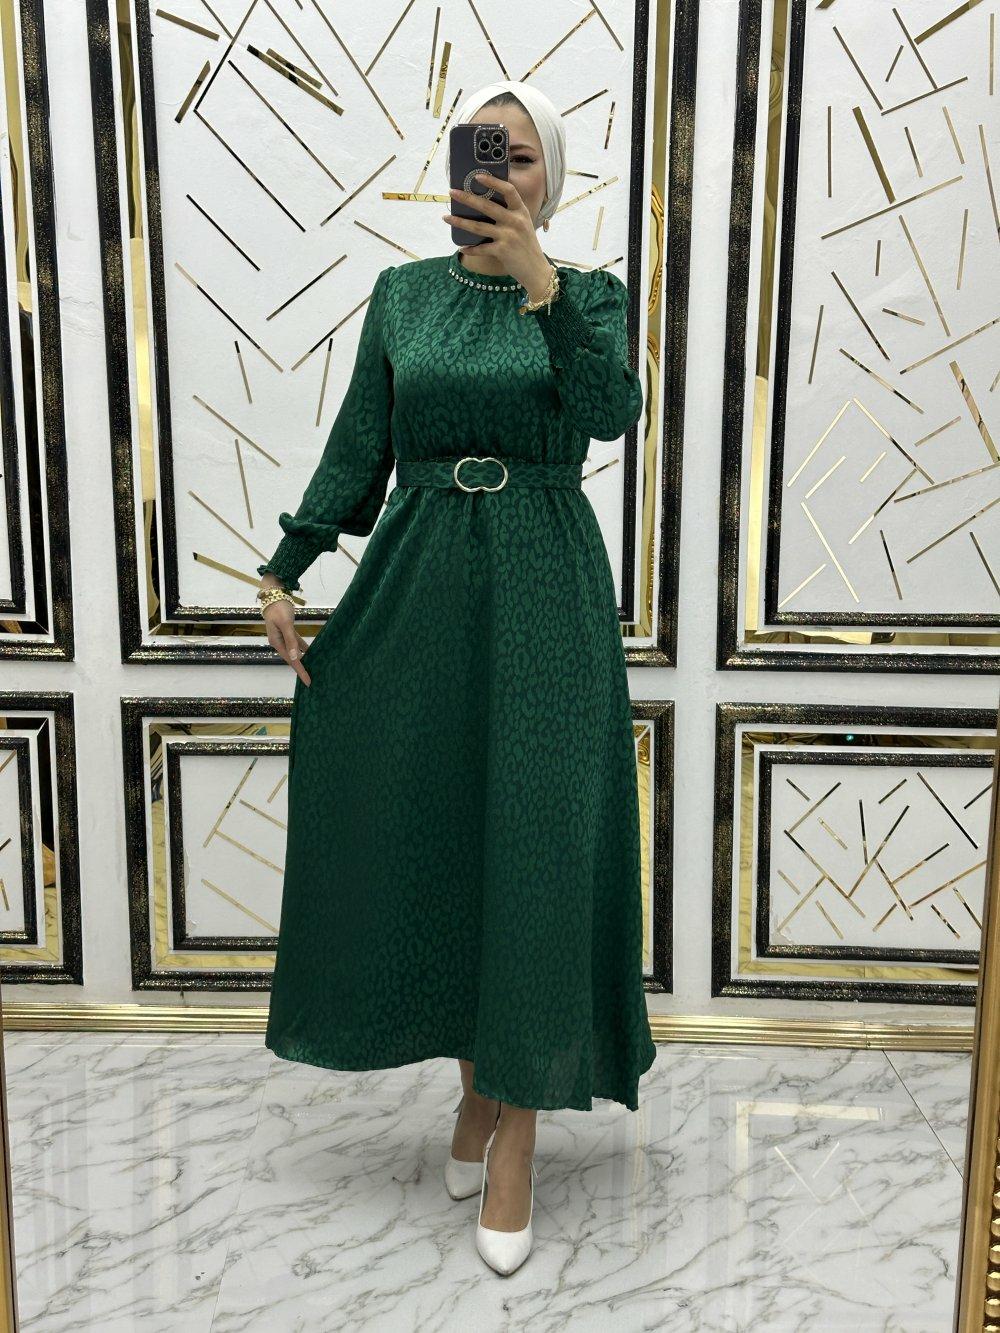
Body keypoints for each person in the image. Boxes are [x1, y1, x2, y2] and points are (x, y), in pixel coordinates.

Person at [256, 78, 655, 1275]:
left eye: (521, 158)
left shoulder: (589, 295)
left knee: (535, 844)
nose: (498, 174)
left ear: (551, 179)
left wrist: (541, 286)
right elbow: (359, 447)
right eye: (482, 153)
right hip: (420, 579)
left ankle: (515, 1128)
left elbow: (611, 413)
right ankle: (477, 1088)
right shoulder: (402, 295)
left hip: (544, 582)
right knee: (438, 834)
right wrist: (283, 571)